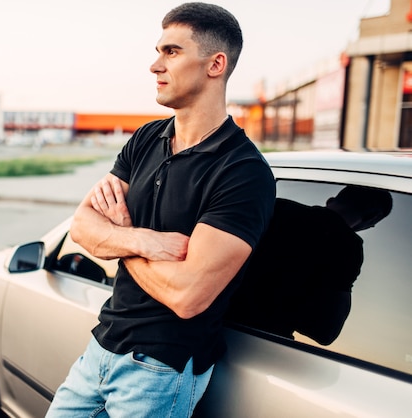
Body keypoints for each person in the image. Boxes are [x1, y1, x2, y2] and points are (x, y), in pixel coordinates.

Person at [45, 3, 276, 417]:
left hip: (159, 370)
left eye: (171, 52)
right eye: (158, 51)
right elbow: (82, 226)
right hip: (100, 348)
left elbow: (187, 296)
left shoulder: (242, 172)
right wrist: (142, 239)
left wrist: (115, 240)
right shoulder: (147, 137)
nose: (155, 65)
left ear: (215, 64)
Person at [226, 186, 393, 345]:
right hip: (260, 340)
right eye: (372, 225)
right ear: (372, 218)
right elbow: (326, 332)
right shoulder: (347, 247)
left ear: (330, 200)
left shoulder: (277, 206)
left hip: (217, 321)